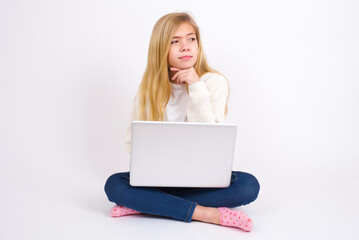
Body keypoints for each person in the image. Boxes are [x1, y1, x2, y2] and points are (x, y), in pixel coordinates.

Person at [104, 12, 260, 232]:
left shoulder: (215, 82)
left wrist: (196, 86)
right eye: (175, 41)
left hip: (203, 179)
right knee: (113, 184)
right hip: (158, 178)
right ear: (161, 49)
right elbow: (132, 142)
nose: (185, 46)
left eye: (191, 39)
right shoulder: (148, 90)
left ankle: (148, 204)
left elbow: (210, 141)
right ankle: (205, 213)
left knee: (248, 186)